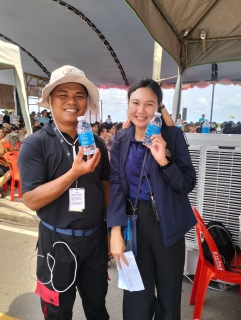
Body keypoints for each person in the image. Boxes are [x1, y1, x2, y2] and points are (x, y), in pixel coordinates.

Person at [18, 65, 110, 320]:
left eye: (79, 95)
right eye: (63, 94)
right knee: (57, 312)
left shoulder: (96, 142)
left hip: (94, 240)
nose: (72, 101)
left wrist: (111, 229)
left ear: (86, 102)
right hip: (56, 242)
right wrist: (73, 173)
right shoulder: (35, 144)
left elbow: (105, 185)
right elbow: (31, 199)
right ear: (50, 100)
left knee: (97, 308)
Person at [107, 78, 196, 320]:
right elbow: (116, 184)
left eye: (149, 104)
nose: (141, 110)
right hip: (133, 224)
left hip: (168, 224)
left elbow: (187, 183)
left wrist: (164, 160)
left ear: (157, 107)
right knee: (136, 293)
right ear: (128, 105)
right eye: (135, 103)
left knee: (169, 296)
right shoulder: (121, 139)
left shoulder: (173, 137)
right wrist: (115, 230)